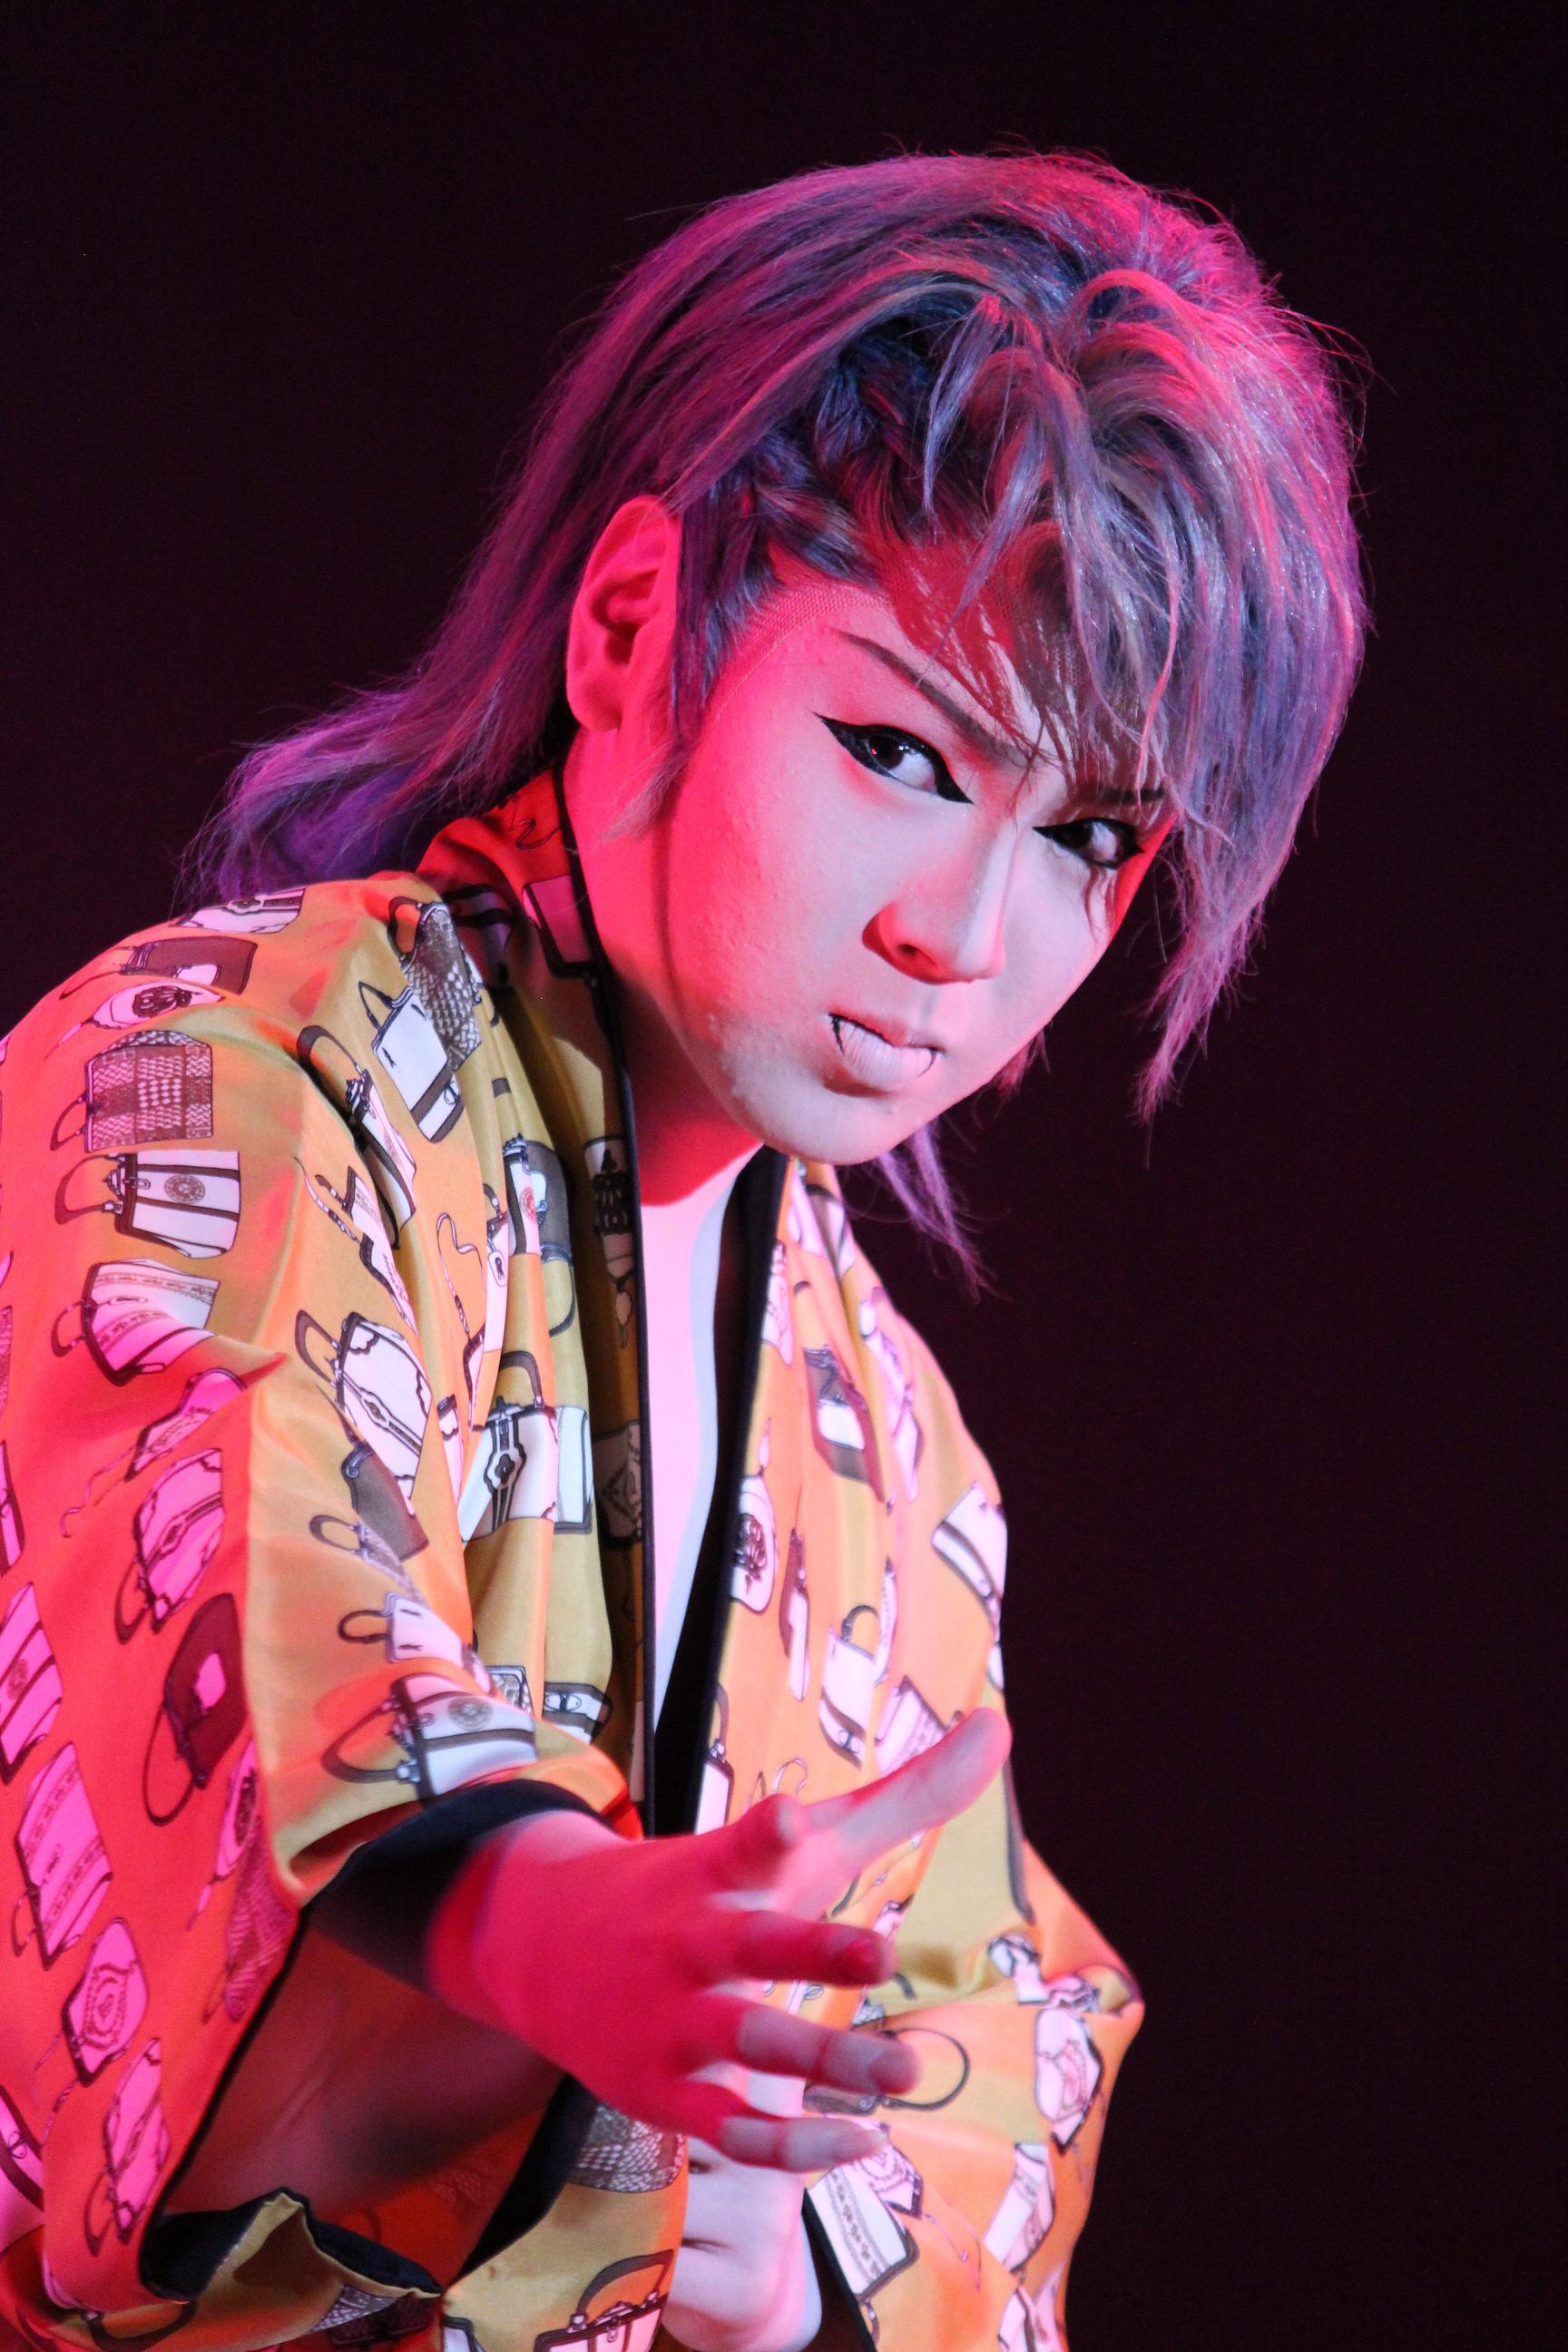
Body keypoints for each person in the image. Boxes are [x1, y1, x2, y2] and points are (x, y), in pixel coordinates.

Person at [0, 150, 1365, 2352]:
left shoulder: (894, 1440)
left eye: (1088, 835)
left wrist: (804, 2251)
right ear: (634, 633)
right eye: (898, 750)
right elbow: (220, 1551)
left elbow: (993, 2036)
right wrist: (529, 1926)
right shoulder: (226, 1066)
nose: (961, 932)